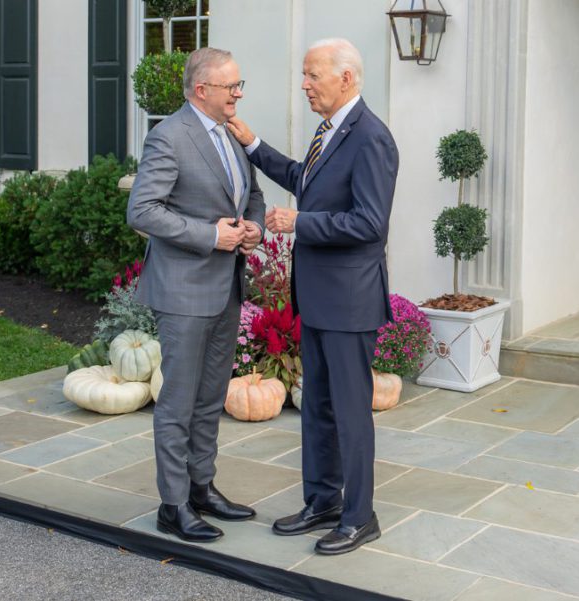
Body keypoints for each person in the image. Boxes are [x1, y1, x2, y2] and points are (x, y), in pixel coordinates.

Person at [226, 38, 398, 555]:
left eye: (312, 75)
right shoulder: (329, 132)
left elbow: (370, 223)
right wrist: (255, 145)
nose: (304, 84)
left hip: (348, 303)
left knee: (349, 412)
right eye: (304, 74)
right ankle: (322, 500)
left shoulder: (372, 138)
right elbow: (307, 181)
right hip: (319, 299)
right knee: (318, 408)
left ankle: (359, 516)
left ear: (345, 78)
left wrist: (301, 222)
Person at [127, 47, 265, 543]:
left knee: (210, 399)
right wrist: (211, 235)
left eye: (239, 84)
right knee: (179, 403)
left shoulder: (232, 132)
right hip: (184, 291)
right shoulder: (169, 136)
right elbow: (142, 210)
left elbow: (252, 193)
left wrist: (253, 226)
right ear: (202, 90)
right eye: (232, 86)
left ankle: (203, 489)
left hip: (225, 286)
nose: (239, 93)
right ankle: (174, 504)